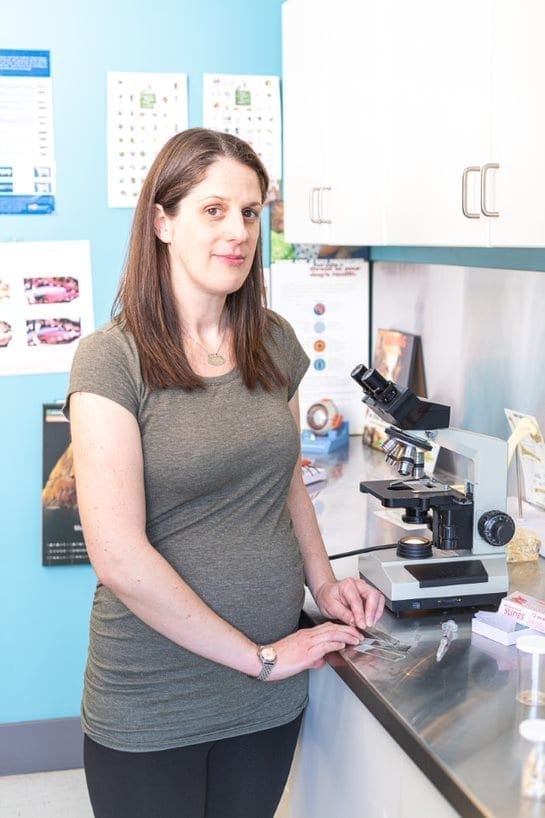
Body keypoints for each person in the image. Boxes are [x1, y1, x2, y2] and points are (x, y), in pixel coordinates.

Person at [66, 127, 385, 818]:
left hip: (266, 699)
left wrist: (324, 583)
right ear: (161, 221)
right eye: (213, 210)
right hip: (156, 698)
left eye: (250, 212)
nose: (237, 231)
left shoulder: (273, 341)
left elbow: (285, 481)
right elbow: (119, 557)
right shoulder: (110, 361)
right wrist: (260, 657)